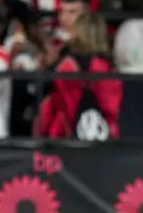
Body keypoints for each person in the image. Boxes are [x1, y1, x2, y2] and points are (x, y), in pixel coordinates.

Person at [37, 12, 121, 140]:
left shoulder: (63, 66)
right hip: (103, 136)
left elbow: (46, 100)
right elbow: (112, 108)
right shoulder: (109, 68)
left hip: (64, 136)